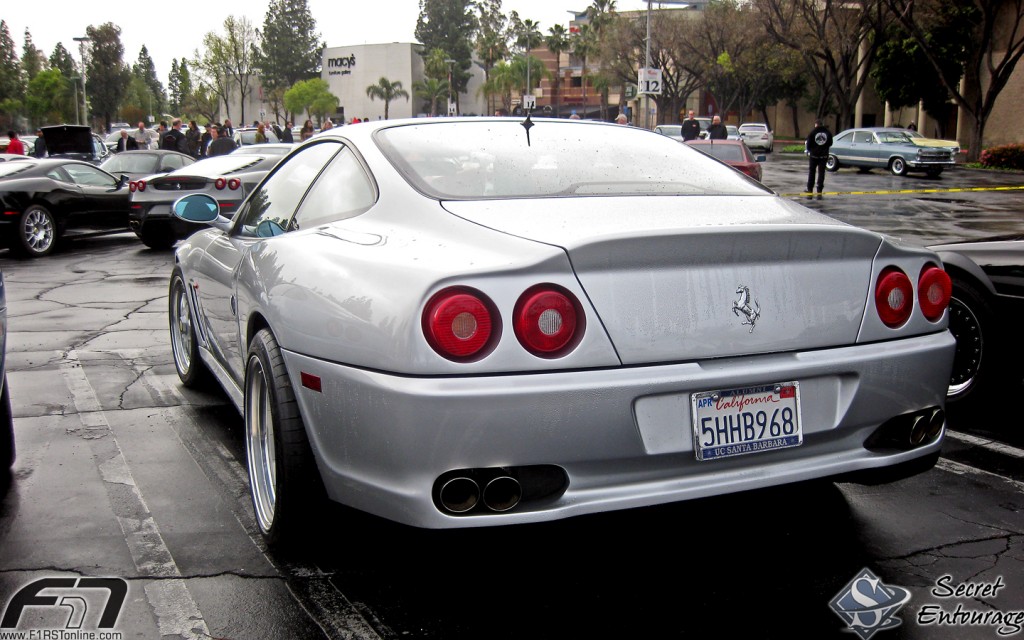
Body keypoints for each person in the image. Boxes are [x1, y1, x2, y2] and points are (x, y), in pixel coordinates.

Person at [805, 117, 834, 196]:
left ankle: (810, 188)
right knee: (821, 173)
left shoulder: (812, 132)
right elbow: (830, 143)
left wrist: (810, 150)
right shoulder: (828, 132)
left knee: (812, 172)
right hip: (823, 156)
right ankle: (819, 189)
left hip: (814, 156)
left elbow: (808, 144)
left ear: (816, 124)